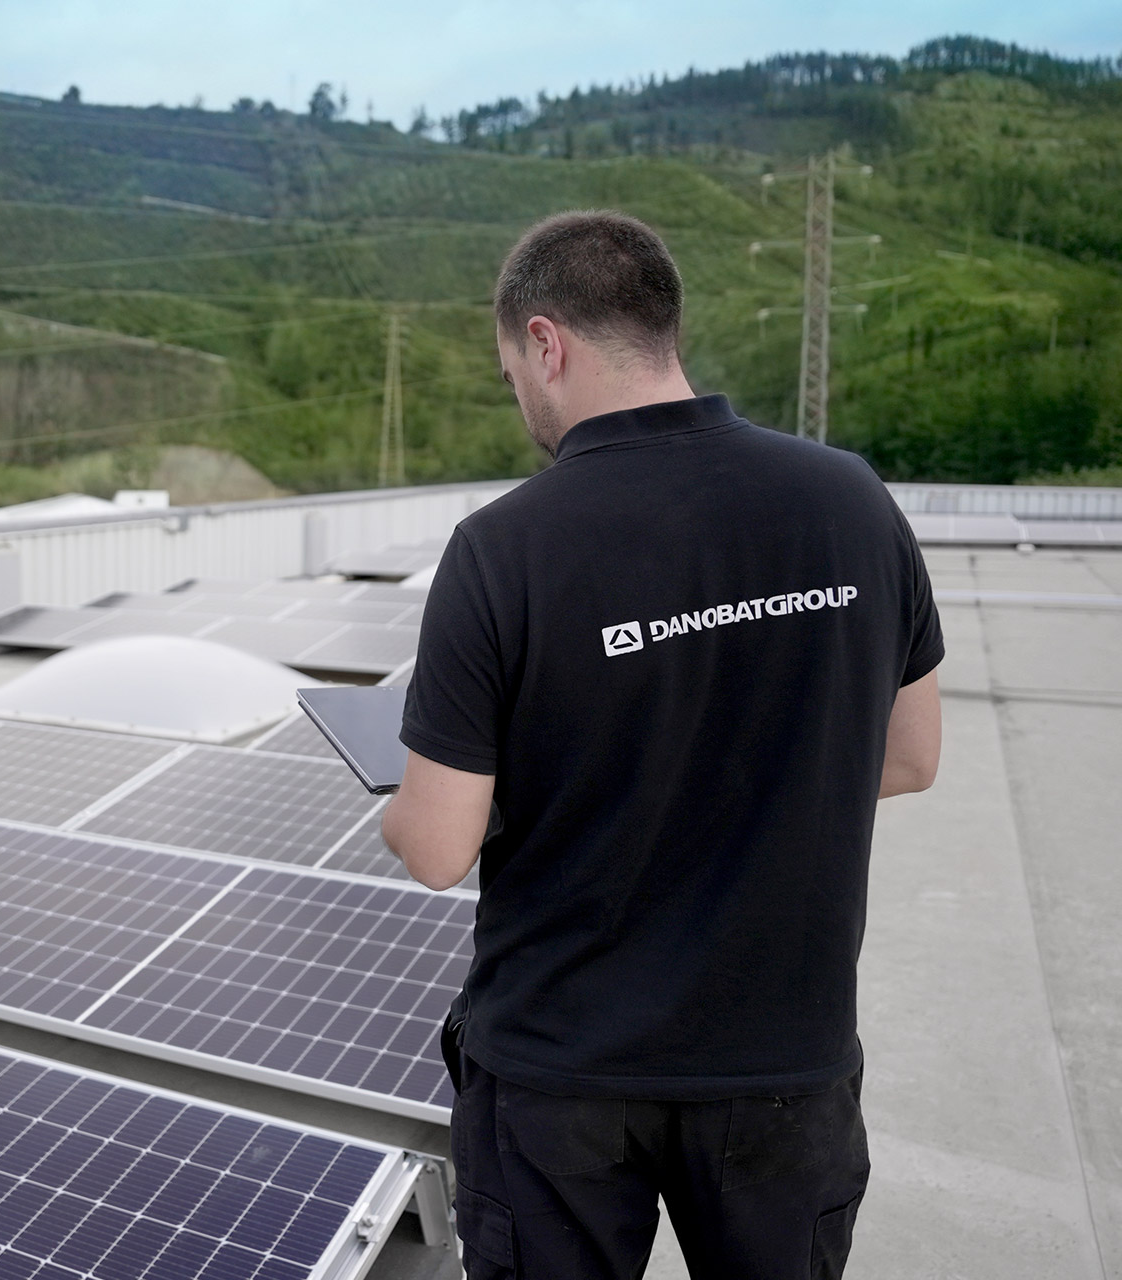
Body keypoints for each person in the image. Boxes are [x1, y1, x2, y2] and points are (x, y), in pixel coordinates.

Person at [382, 210, 943, 1279]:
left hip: (561, 1079)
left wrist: (401, 801)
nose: (522, 403)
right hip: (786, 1062)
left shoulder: (504, 547)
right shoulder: (850, 498)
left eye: (511, 375)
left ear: (546, 343)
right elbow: (911, 755)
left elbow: (439, 844)